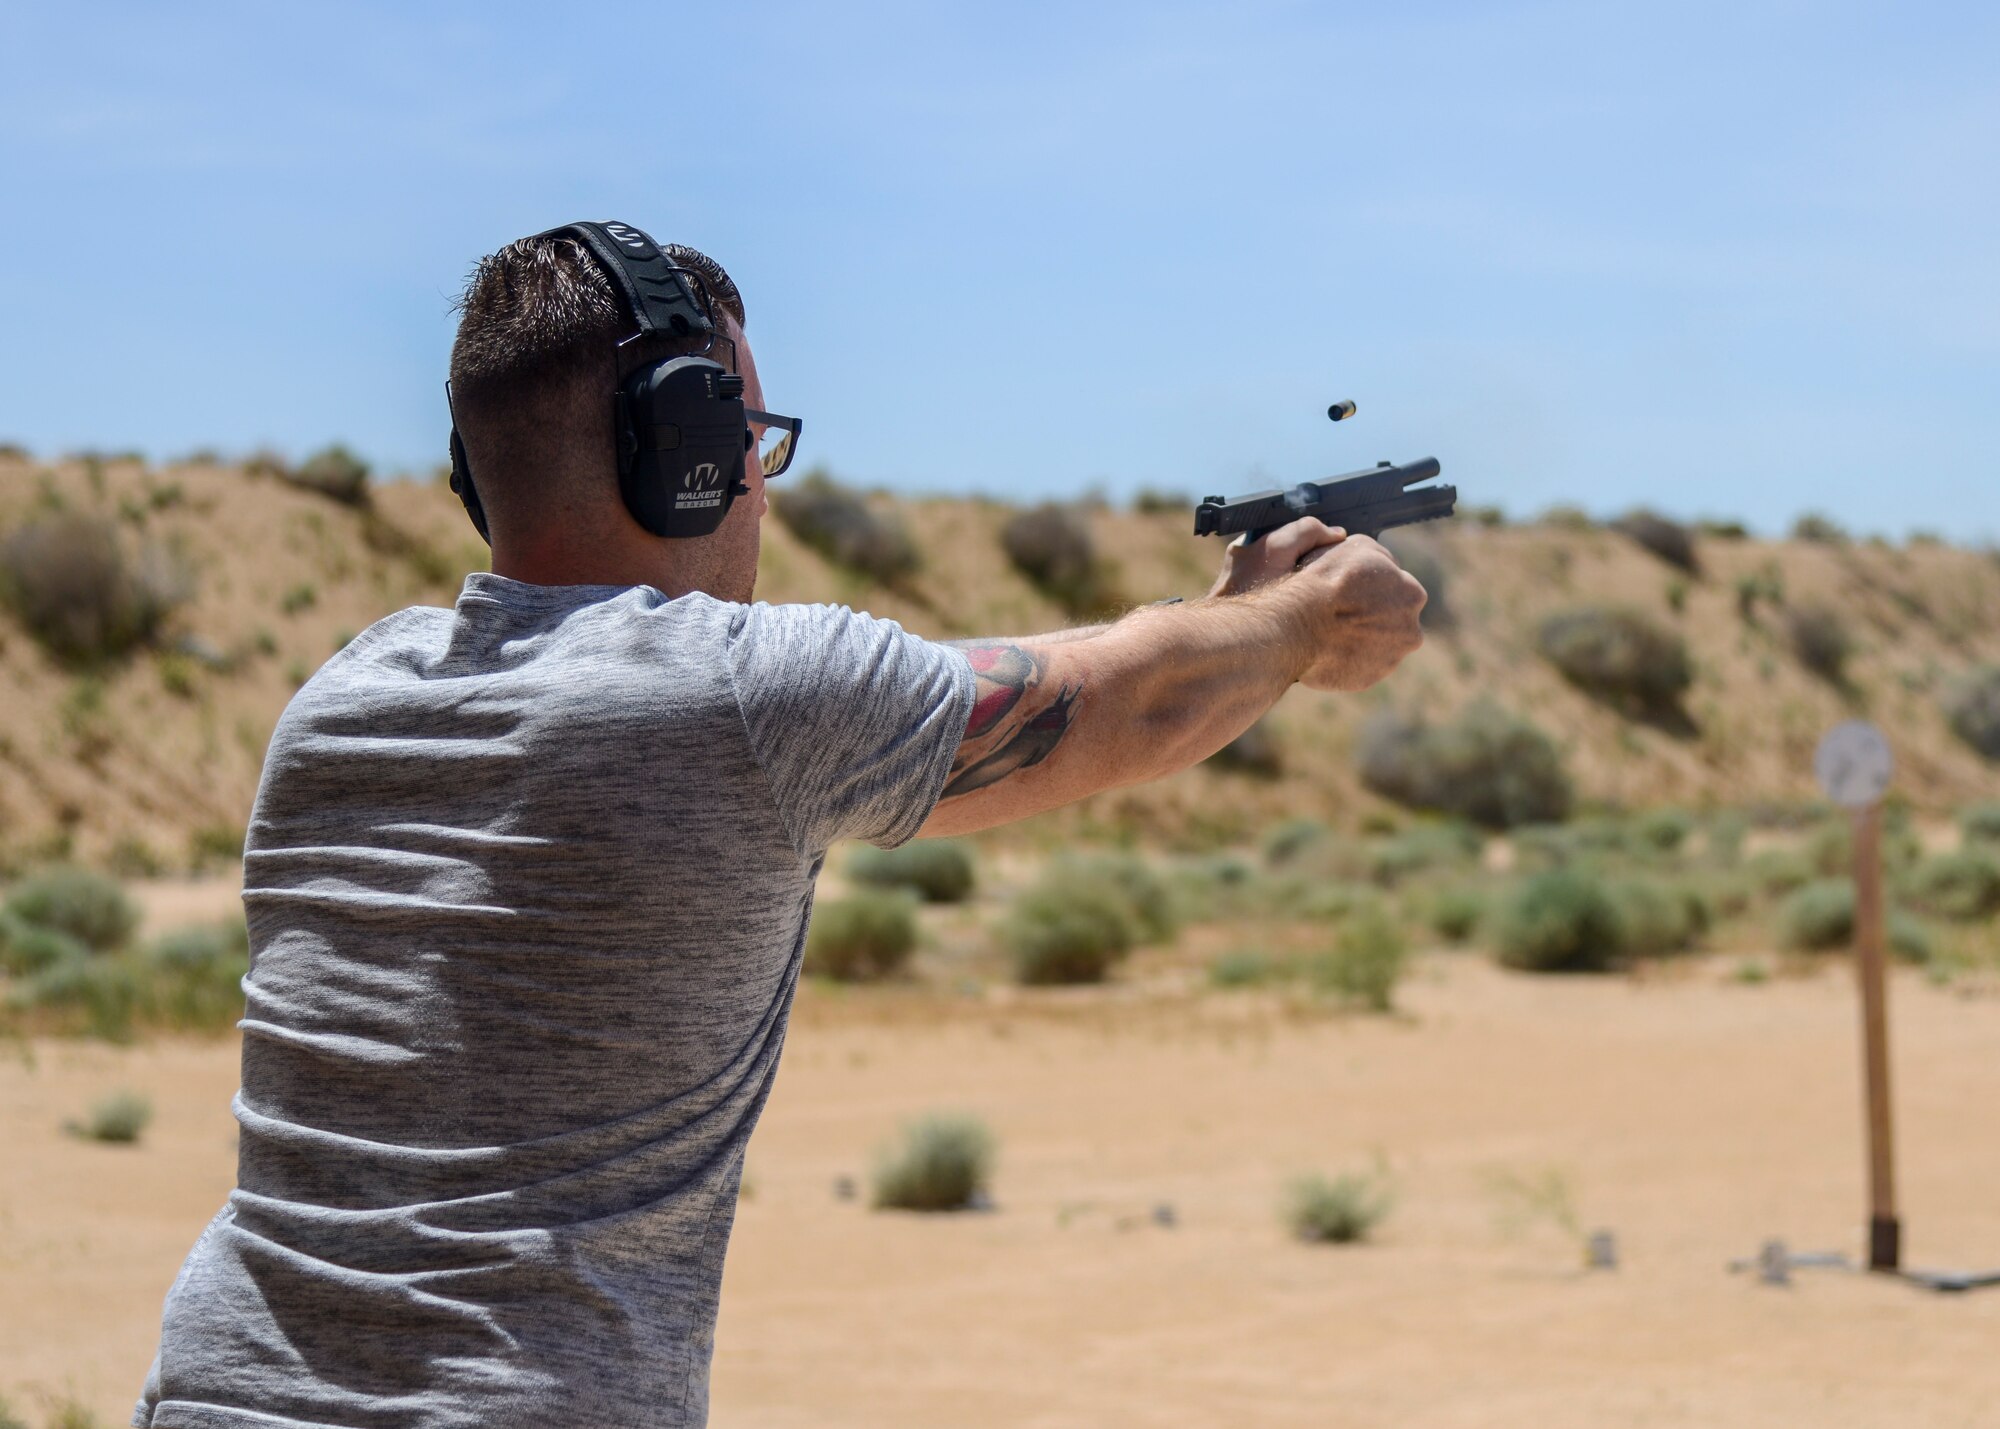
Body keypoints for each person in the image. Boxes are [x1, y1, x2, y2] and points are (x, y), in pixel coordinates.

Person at [134, 227, 1425, 1429]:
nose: (760, 480)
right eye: (746, 433)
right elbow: (1122, 705)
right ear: (682, 446)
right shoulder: (738, 691)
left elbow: (1122, 674)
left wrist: (1239, 612)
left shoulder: (343, 697)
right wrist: (1314, 618)